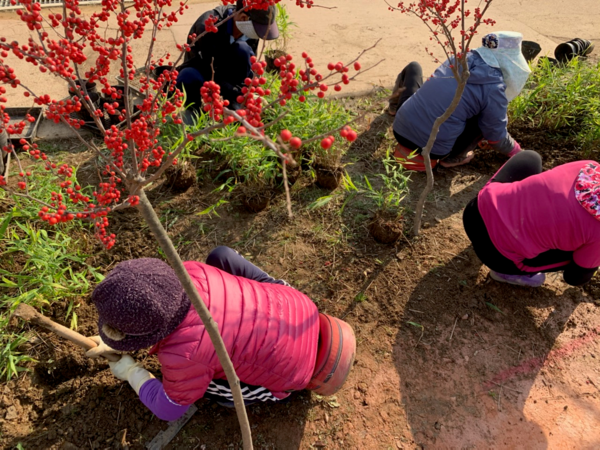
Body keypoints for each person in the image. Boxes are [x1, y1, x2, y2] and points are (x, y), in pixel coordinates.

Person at [85, 247, 355, 420]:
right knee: (221, 256)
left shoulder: (184, 355)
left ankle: (281, 392)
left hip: (294, 373)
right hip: (300, 308)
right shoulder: (192, 270)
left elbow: (168, 408)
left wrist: (132, 372)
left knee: (212, 390)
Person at [390, 32, 531, 171]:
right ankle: (454, 157)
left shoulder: (458, 59)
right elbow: (496, 137)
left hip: (400, 128)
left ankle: (394, 107)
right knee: (486, 118)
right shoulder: (494, 87)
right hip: (434, 149)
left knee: (413, 67)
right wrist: (518, 153)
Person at [463, 150, 600, 287]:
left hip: (474, 211)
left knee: (530, 158)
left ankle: (499, 218)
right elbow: (574, 278)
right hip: (494, 255)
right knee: (583, 258)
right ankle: (506, 273)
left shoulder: (589, 168)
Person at [175, 0, 278, 110]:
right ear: (243, 18)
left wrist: (252, 93)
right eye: (258, 31)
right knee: (188, 76)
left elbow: (249, 64)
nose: (258, 35)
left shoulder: (250, 28)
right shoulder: (208, 27)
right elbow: (209, 70)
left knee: (243, 49)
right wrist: (236, 93)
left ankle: (234, 106)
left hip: (231, 76)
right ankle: (195, 114)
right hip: (203, 71)